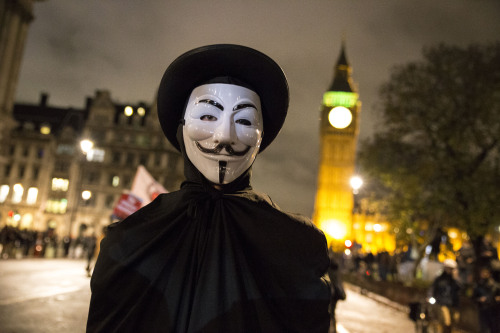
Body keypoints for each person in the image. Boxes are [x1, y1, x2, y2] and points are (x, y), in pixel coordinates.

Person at [86, 44, 331, 332]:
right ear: (182, 128)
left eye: (243, 120)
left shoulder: (298, 245)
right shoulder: (127, 242)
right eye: (207, 117)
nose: (224, 136)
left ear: (260, 136)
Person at [431, 259, 461, 333]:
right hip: (443, 303)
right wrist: (432, 297)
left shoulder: (455, 279)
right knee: (446, 322)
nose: (449, 270)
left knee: (454, 323)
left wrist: (455, 278)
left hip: (454, 304)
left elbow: (461, 288)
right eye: (448, 268)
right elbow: (433, 288)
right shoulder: (440, 278)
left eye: (451, 269)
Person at [472, 266, 500, 333]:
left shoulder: (496, 286)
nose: (484, 274)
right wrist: (479, 300)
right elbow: (473, 298)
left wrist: (492, 299)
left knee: (495, 329)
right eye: (482, 273)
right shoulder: (478, 285)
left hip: (494, 312)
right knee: (484, 330)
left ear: (489, 274)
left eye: (486, 272)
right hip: (483, 311)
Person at [327, 256, 346, 333]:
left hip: (329, 293)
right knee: (332, 312)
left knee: (328, 312)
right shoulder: (337, 270)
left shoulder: (327, 270)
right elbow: (339, 282)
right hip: (335, 294)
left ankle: (329, 328)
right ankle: (334, 329)